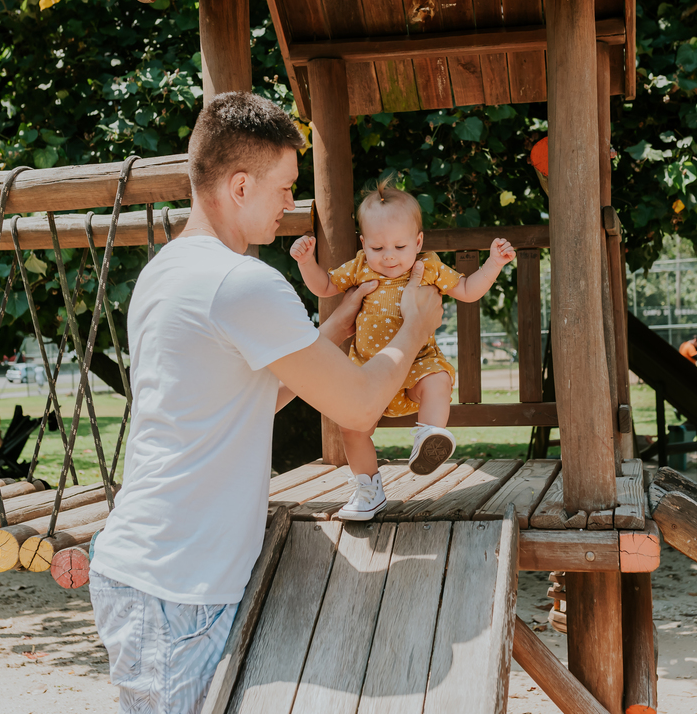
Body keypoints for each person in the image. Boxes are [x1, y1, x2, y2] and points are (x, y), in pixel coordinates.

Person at [87, 92, 444, 714]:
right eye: (284, 188)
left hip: (152, 567)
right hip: (179, 583)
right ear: (241, 184)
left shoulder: (166, 269)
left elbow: (240, 398)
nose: (292, 204)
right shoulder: (243, 282)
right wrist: (414, 328)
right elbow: (359, 409)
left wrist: (328, 334)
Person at [289, 179, 516, 519]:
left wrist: (493, 264)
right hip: (367, 372)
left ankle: (428, 438)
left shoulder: (428, 266)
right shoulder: (359, 266)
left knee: (438, 380)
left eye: (399, 246)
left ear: (418, 242)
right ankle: (368, 489)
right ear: (364, 244)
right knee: (351, 428)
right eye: (378, 248)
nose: (390, 256)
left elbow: (467, 289)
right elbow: (324, 287)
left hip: (417, 366)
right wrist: (307, 262)